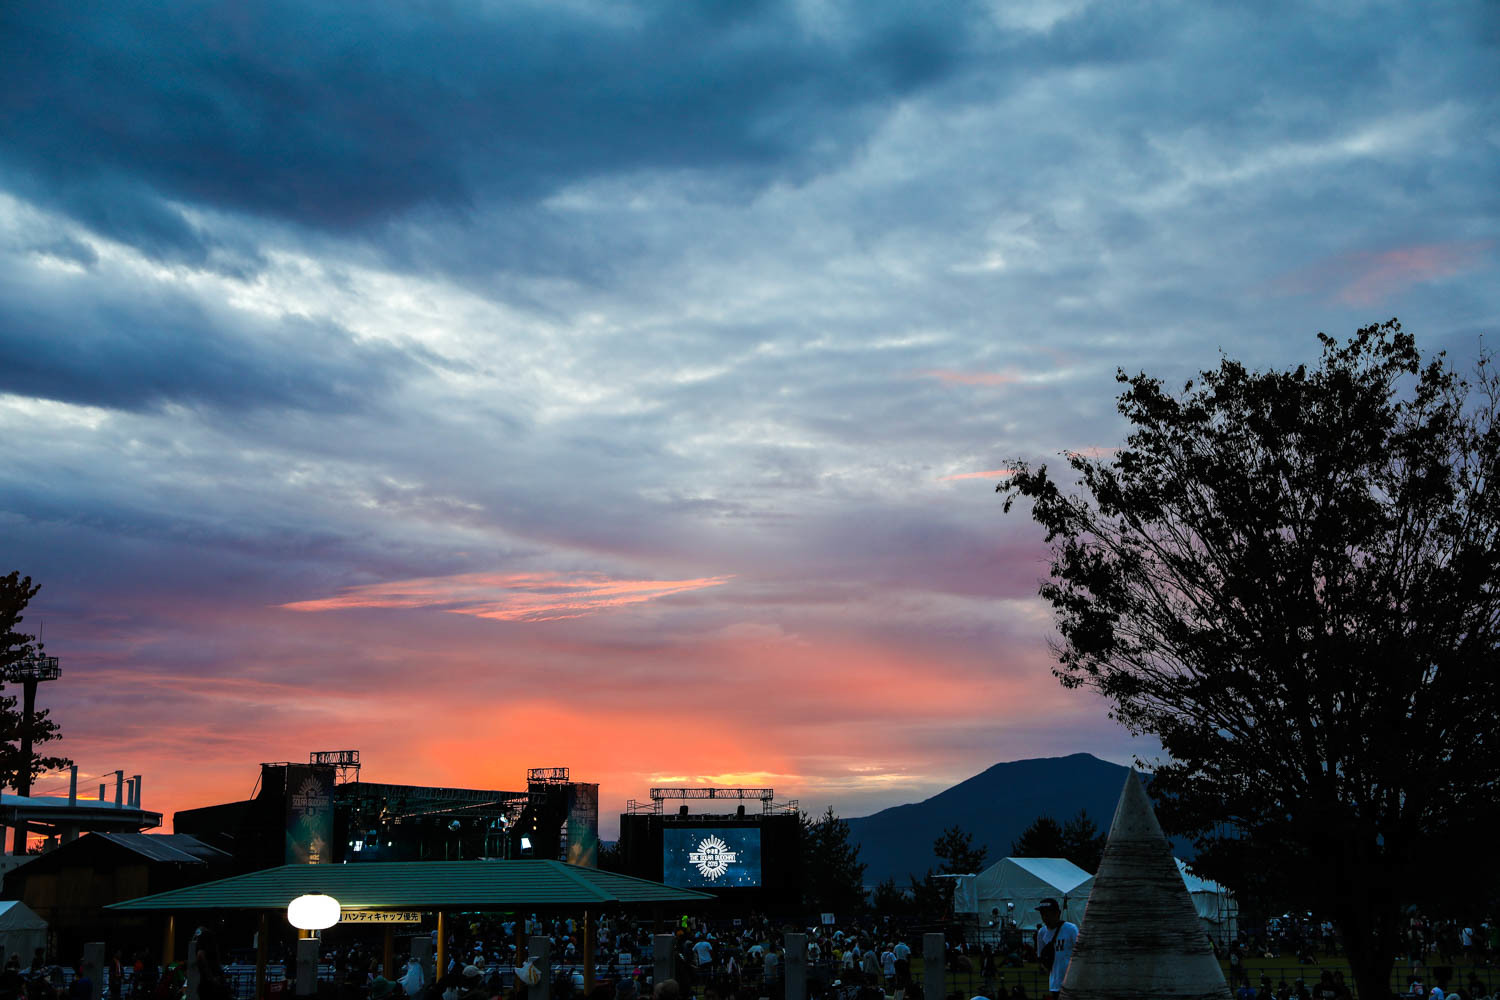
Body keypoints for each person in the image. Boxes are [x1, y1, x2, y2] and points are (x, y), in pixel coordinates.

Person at [1034, 899, 1078, 1000]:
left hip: (1072, 982)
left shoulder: (1071, 929)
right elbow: (1041, 957)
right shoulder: (1042, 932)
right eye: (1043, 914)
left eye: (1048, 914)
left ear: (1057, 913)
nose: (1045, 917)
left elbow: (1080, 955)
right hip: (1055, 984)